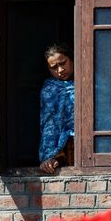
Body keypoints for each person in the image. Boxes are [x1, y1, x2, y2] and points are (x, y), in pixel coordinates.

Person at [39, 44, 75, 174]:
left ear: (71, 59)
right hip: (63, 148)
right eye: (54, 67)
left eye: (63, 63)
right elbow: (49, 125)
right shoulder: (49, 90)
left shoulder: (92, 82)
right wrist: (49, 157)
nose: (60, 70)